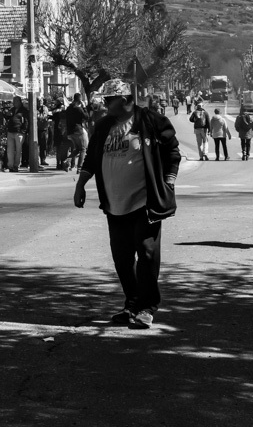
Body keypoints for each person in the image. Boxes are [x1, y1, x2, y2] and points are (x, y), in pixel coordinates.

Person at [74, 79, 180, 330]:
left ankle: (146, 307)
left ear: (124, 99)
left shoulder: (149, 120)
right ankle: (131, 304)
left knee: (146, 254)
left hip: (144, 201)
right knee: (122, 259)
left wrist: (169, 182)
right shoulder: (103, 126)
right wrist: (80, 185)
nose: (105, 104)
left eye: (109, 100)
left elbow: (172, 150)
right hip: (114, 204)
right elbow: (91, 157)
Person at [64, 93, 88, 172]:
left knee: (77, 149)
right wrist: (84, 107)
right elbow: (86, 117)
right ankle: (80, 167)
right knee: (83, 149)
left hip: (70, 131)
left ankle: (67, 160)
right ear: (80, 100)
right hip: (78, 130)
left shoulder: (68, 108)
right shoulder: (78, 109)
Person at [7, 100, 27, 171]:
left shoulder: (23, 111)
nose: (14, 103)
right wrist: (7, 114)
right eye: (14, 102)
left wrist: (23, 131)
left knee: (18, 150)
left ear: (19, 102)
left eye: (16, 102)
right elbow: (8, 117)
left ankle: (16, 165)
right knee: (10, 150)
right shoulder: (12, 109)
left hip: (19, 132)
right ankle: (10, 166)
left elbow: (26, 121)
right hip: (10, 131)